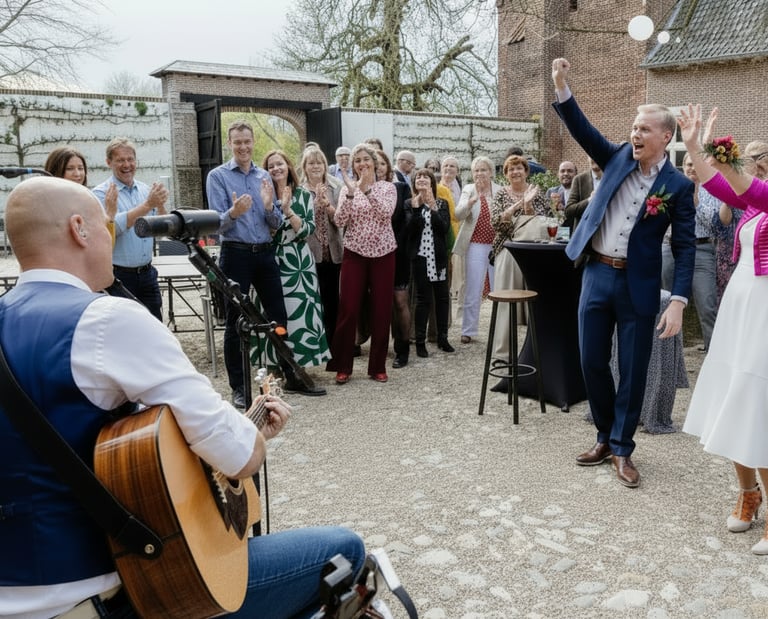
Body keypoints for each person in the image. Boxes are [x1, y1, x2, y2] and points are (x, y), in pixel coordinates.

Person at [0, 177, 365, 619]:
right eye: (105, 225)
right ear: (79, 229)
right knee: (345, 551)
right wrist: (251, 436)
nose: (111, 236)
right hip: (111, 597)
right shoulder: (105, 320)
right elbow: (239, 454)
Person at [551, 58, 695, 488]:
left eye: (644, 129)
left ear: (665, 137)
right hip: (597, 274)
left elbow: (685, 247)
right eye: (633, 127)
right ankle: (603, 435)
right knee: (591, 360)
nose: (635, 134)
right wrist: (561, 85)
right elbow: (581, 128)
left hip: (639, 285)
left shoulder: (679, 186)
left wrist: (678, 301)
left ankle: (622, 446)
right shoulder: (614, 156)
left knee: (633, 370)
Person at [679, 104, 768, 554]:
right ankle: (748, 493)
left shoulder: (762, 195)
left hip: (765, 309)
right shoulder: (753, 200)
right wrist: (694, 146)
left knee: (757, 400)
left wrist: (712, 150)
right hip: (742, 303)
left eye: (759, 160)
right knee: (735, 396)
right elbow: (717, 184)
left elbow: (744, 185)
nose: (755, 165)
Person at [206, 120, 323, 407]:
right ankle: (239, 387)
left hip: (265, 253)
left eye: (247, 141)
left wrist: (270, 207)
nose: (243, 147)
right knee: (236, 322)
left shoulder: (263, 176)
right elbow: (214, 225)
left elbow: (275, 222)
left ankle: (290, 375)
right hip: (236, 254)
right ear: (230, 144)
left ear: (253, 142)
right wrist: (234, 213)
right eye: (237, 142)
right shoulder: (218, 176)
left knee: (278, 318)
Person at [327, 144, 397, 384]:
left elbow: (385, 214)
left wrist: (367, 190)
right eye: (357, 160)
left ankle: (377, 366)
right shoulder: (347, 189)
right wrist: (349, 193)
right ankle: (343, 366)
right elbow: (339, 220)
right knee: (348, 308)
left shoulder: (387, 187)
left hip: (383, 254)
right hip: (354, 253)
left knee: (381, 310)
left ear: (374, 163)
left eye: (366, 159)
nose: (362, 163)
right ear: (353, 166)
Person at [262, 149, 331, 372]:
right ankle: (274, 364)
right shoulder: (263, 193)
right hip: (271, 259)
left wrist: (288, 210)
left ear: (289, 166)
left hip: (299, 260)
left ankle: (299, 364)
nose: (276, 169)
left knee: (300, 311)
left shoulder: (302, 195)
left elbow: (307, 229)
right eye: (271, 166)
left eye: (280, 164)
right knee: (273, 312)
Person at [92, 137, 169, 321]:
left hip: (147, 274)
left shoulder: (145, 190)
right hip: (119, 276)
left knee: (154, 325)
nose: (127, 165)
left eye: (130, 159)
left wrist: (160, 206)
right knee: (122, 327)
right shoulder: (100, 193)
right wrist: (147, 205)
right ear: (108, 162)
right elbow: (114, 229)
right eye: (120, 160)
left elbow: (161, 230)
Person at [489, 154, 548, 387]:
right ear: (506, 174)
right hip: (508, 249)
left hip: (533, 252)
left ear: (526, 171)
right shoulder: (501, 194)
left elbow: (545, 221)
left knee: (534, 303)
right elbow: (496, 222)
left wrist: (529, 205)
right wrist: (517, 206)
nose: (515, 172)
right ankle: (503, 354)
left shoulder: (537, 192)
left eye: (519, 168)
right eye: (511, 169)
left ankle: (533, 352)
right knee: (506, 303)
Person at [661, 152, 719, 351]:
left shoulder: (712, 190)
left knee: (707, 304)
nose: (692, 168)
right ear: (683, 167)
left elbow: (715, 226)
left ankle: (713, 353)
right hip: (670, 247)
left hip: (701, 249)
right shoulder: (672, 187)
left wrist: (696, 201)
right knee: (666, 301)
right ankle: (669, 354)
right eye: (688, 164)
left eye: (695, 164)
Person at [404, 168, 454, 357]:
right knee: (422, 299)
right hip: (421, 258)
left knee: (442, 298)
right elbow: (410, 230)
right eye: (419, 177)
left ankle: (443, 338)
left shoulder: (441, 203)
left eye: (426, 177)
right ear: (414, 183)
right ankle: (420, 342)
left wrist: (432, 205)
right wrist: (417, 209)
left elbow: (443, 228)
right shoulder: (409, 203)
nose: (422, 179)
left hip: (439, 258)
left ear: (432, 182)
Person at [453, 156, 501, 344]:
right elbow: (458, 215)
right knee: (473, 288)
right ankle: (468, 330)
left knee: (499, 288)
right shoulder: (468, 189)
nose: (480, 173)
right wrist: (471, 202)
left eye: (483, 170)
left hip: (497, 245)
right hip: (475, 244)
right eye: (476, 170)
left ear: (491, 172)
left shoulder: (499, 190)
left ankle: (500, 330)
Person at [301, 147, 343, 348]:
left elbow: (341, 220)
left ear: (325, 165)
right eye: (311, 163)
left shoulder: (336, 187)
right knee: (314, 300)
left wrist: (326, 205)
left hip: (334, 253)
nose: (316, 166)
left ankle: (333, 344)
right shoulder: (300, 190)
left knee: (333, 301)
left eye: (319, 162)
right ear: (305, 167)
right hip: (310, 254)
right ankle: (316, 344)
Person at [382, 150, 413, 368]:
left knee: (400, 301)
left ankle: (403, 348)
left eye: (381, 164)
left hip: (398, 251)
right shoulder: (362, 190)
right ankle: (380, 349)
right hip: (372, 253)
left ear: (388, 166)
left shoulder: (401, 188)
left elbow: (408, 220)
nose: (378, 168)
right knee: (379, 303)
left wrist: (395, 243)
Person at [564, 157, 602, 232]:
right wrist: (589, 200)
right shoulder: (579, 179)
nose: (594, 158)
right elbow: (568, 211)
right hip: (585, 234)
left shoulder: (614, 178)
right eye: (591, 155)